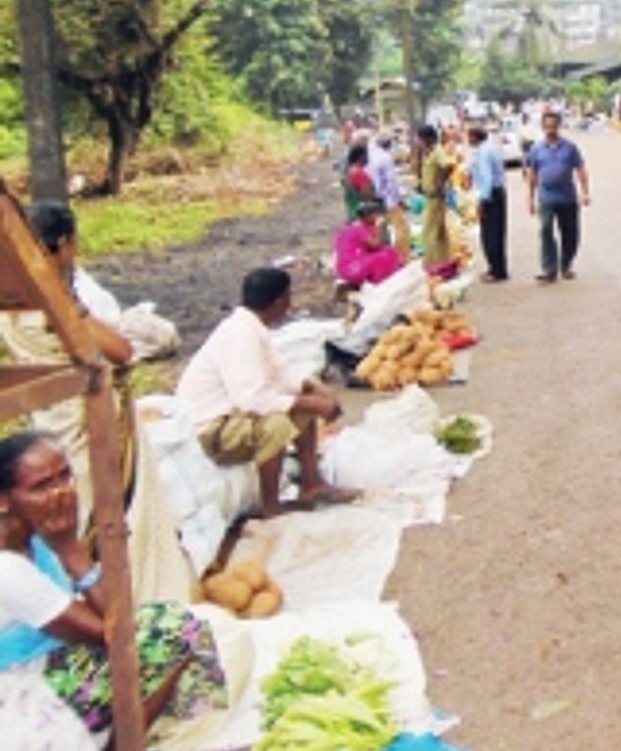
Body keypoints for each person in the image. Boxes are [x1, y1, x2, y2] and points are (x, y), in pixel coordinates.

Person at [0, 432, 226, 745]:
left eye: (64, 476)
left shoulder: (37, 538)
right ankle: (124, 750)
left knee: (186, 625)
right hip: (24, 688)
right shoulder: (9, 570)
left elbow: (112, 613)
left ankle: (141, 738)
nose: (61, 493)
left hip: (58, 661)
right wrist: (71, 551)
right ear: (3, 501)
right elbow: (117, 635)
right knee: (176, 633)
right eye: (41, 486)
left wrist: (68, 549)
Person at [176, 268, 357, 517]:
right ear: (280, 301)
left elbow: (278, 377)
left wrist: (312, 387)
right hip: (211, 428)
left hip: (233, 414)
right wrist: (311, 404)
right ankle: (270, 505)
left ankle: (312, 484)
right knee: (276, 424)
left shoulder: (252, 327)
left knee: (302, 408)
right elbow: (252, 399)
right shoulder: (240, 335)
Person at [0, 201, 134, 527]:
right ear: (63, 245)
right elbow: (120, 350)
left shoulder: (11, 296)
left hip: (47, 411)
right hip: (83, 415)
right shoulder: (54, 299)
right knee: (89, 500)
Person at [526, 110, 592, 284]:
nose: (550, 130)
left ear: (559, 126)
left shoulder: (570, 148)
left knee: (570, 234)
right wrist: (530, 199)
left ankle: (566, 264)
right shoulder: (536, 149)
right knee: (545, 230)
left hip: (567, 198)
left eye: (553, 126)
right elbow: (532, 174)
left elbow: (581, 170)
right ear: (542, 127)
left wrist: (585, 193)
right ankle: (549, 270)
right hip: (546, 198)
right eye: (547, 126)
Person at [467, 125, 509, 282]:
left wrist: (482, 201)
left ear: (476, 137)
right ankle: (499, 269)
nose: (468, 140)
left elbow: (487, 178)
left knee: (489, 235)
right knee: (498, 233)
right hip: (499, 192)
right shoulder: (492, 148)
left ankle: (496, 271)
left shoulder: (483, 153)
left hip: (490, 195)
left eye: (469, 137)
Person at [414, 124, 455, 272]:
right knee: (438, 232)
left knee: (430, 233)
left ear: (427, 138)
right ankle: (443, 261)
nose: (418, 142)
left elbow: (449, 165)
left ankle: (433, 264)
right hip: (430, 197)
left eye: (419, 138)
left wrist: (440, 181)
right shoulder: (428, 152)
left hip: (435, 197)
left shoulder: (438, 151)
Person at [334, 200, 401, 287]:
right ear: (367, 216)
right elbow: (376, 245)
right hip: (352, 268)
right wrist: (380, 227)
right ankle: (380, 282)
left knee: (386, 251)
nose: (379, 217)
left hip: (344, 268)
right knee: (388, 254)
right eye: (376, 215)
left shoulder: (352, 226)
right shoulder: (359, 228)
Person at [366, 132, 410, 258]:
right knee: (402, 229)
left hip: (376, 198)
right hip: (389, 199)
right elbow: (391, 183)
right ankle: (401, 257)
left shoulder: (372, 155)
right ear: (387, 143)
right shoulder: (385, 157)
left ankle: (387, 256)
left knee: (382, 229)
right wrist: (399, 200)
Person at [341, 143, 374, 222]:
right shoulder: (359, 174)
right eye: (366, 155)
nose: (368, 158)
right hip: (362, 215)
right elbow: (367, 196)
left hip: (352, 212)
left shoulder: (349, 171)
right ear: (361, 157)